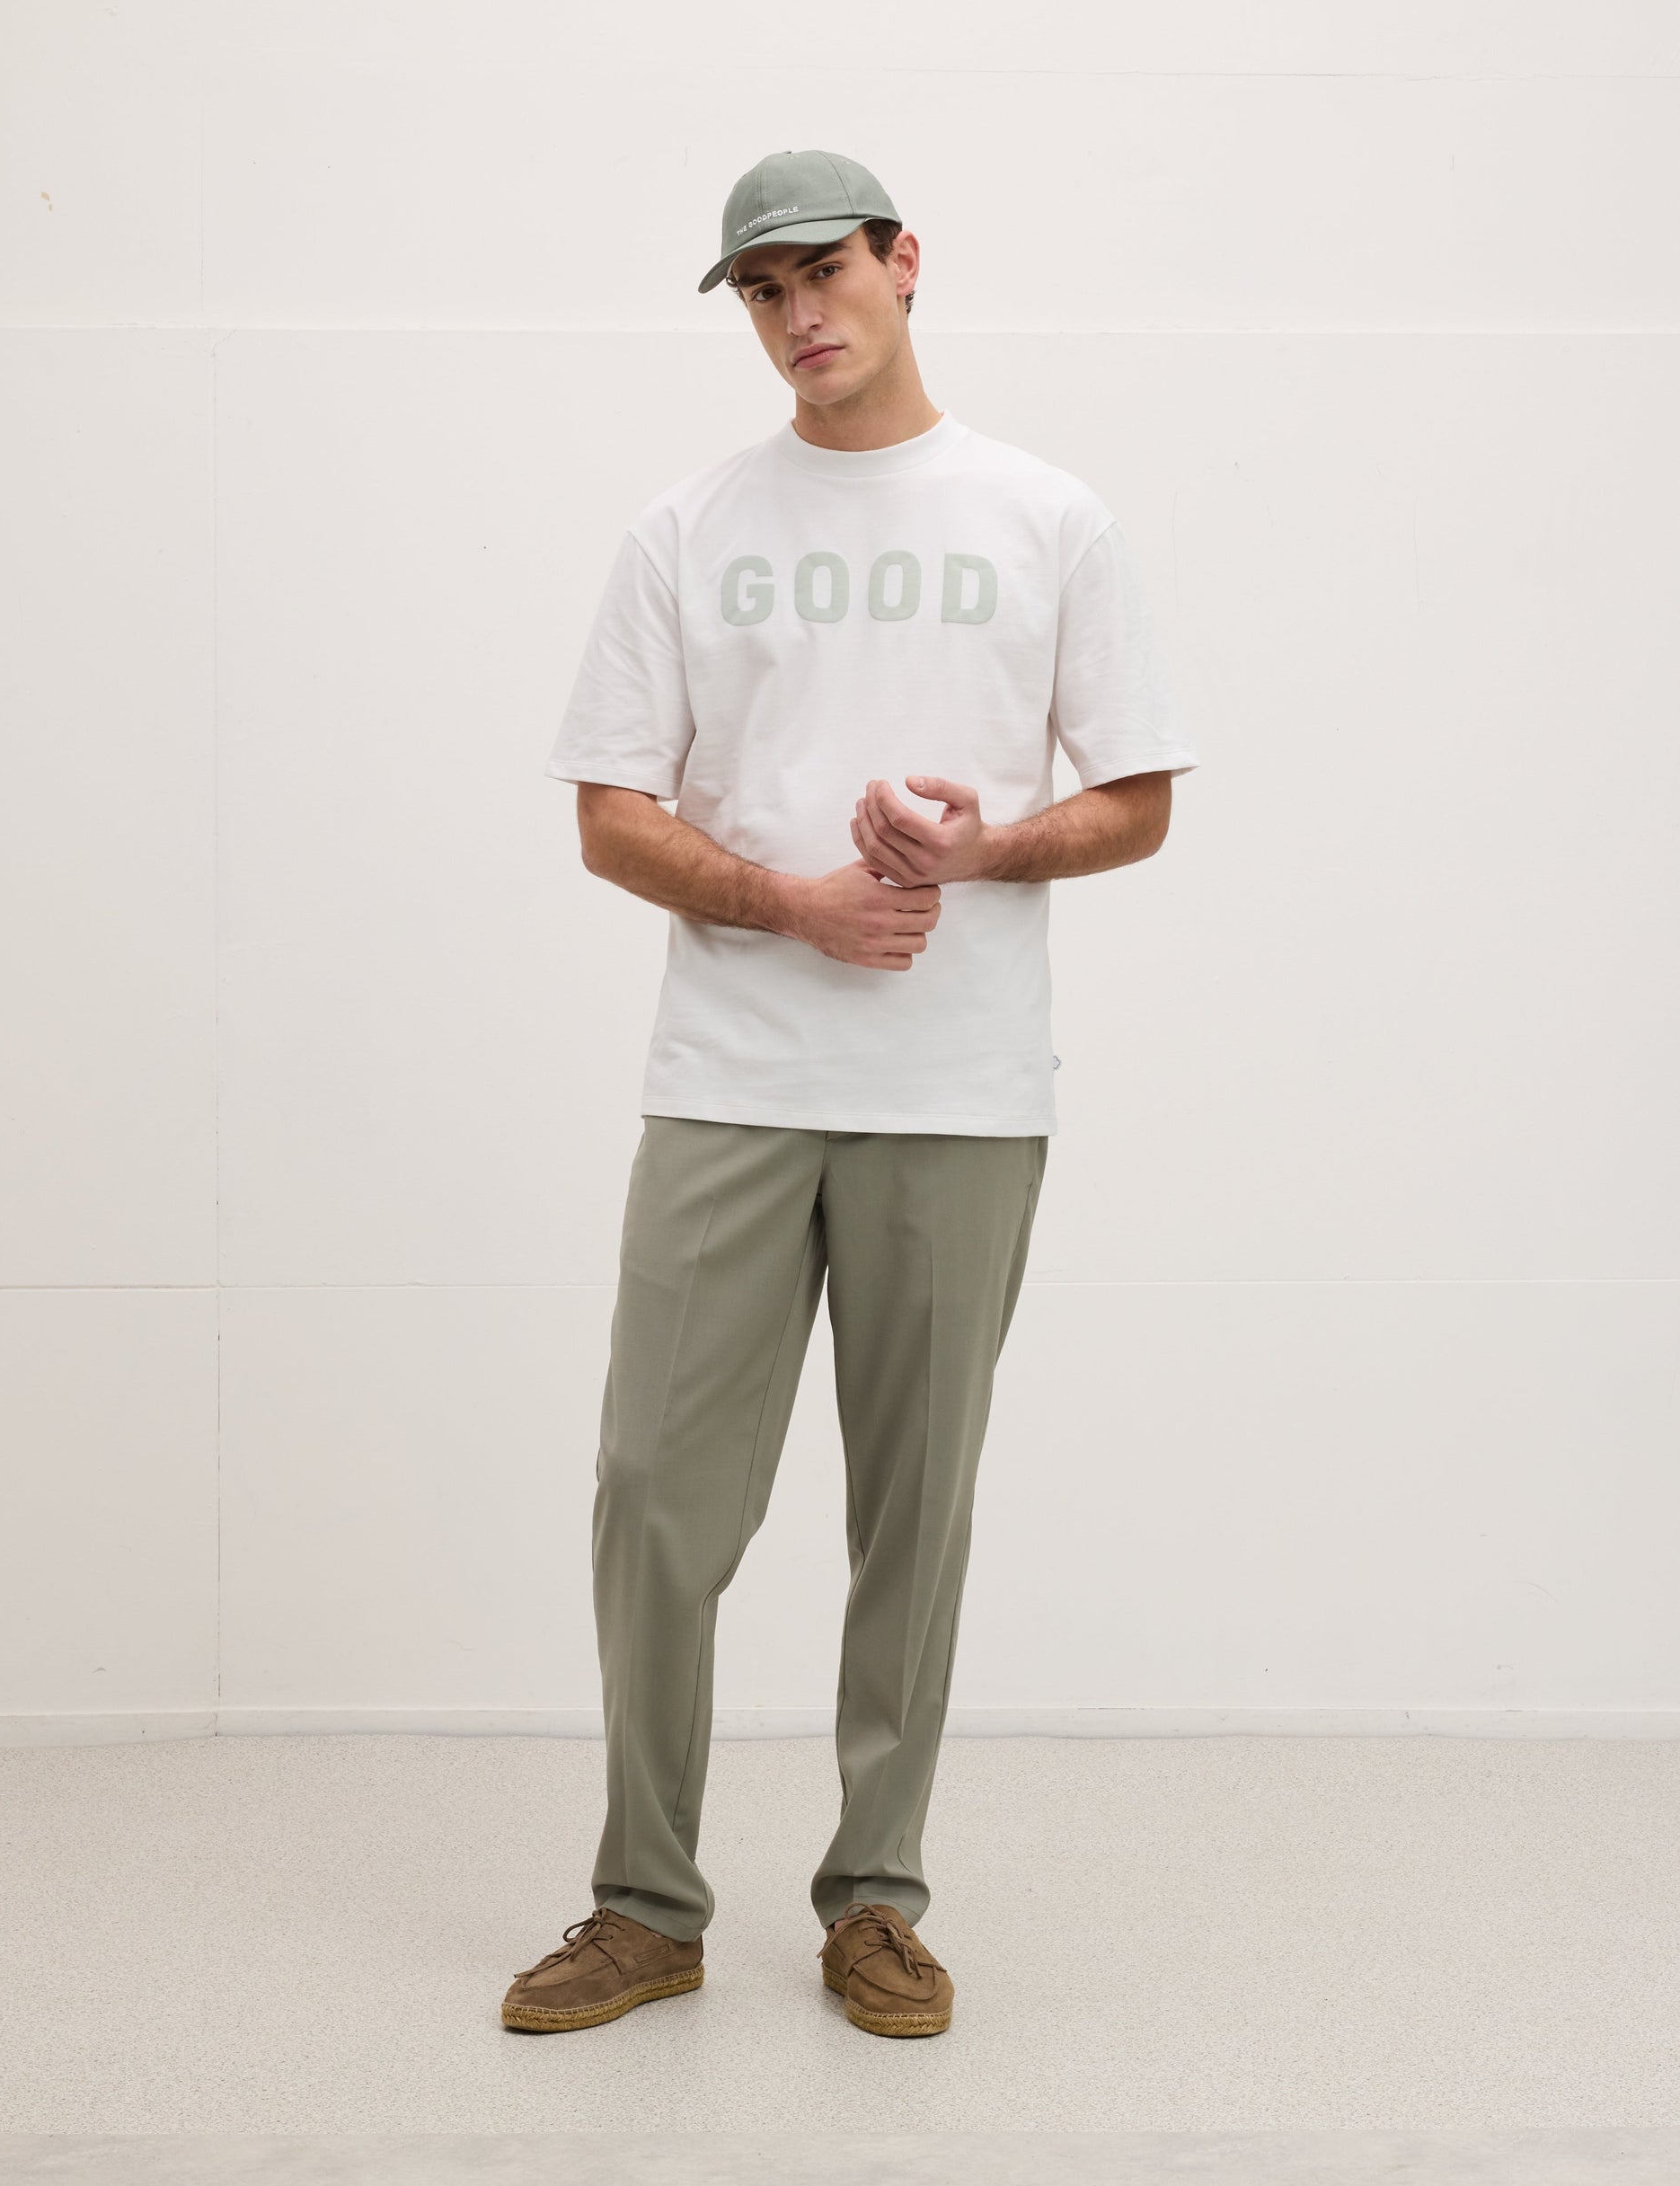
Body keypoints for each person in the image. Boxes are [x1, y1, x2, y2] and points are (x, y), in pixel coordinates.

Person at [501, 147, 1198, 2040]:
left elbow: (1136, 797)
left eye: (824, 271)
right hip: (729, 1077)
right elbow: (610, 815)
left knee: (915, 1512)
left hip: (959, 1092)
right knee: (654, 1492)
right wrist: (790, 900)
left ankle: (877, 1896)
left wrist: (980, 852)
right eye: (760, 289)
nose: (797, 313)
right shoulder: (686, 527)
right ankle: (645, 1903)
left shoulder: (1046, 517)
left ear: (904, 263)